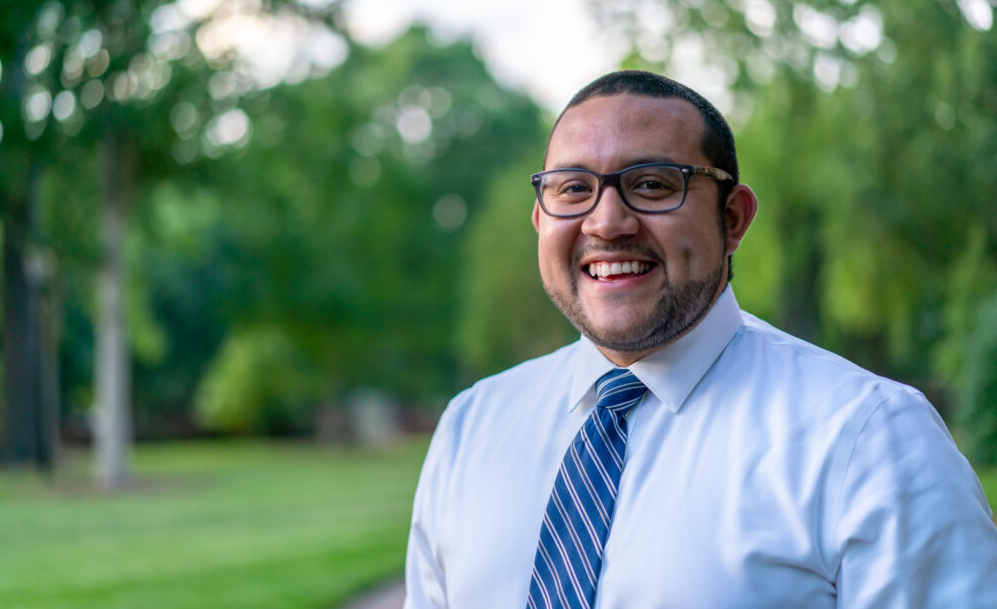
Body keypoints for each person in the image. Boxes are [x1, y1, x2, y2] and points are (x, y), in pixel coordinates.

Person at [403, 70, 997, 608]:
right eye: (573, 189)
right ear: (541, 221)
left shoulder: (869, 438)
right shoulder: (471, 427)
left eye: (654, 184)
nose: (607, 222)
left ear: (733, 218)